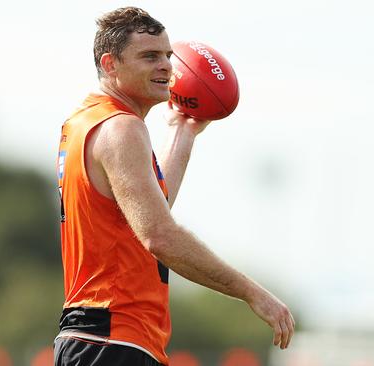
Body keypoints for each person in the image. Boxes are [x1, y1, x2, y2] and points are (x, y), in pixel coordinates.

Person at [54, 6, 294, 366]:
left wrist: (183, 132)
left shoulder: (87, 121)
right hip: (113, 338)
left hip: (100, 338)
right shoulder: (122, 128)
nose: (166, 66)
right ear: (110, 65)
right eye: (149, 56)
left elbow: (146, 213)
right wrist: (250, 292)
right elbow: (159, 236)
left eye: (168, 55)